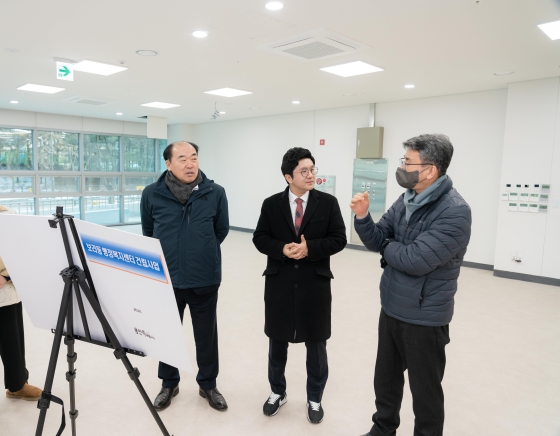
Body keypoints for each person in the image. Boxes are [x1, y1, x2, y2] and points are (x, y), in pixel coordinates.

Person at [350, 134, 472, 436]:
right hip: (392, 307)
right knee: (385, 379)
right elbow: (378, 239)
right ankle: (383, 428)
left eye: (408, 162)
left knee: (425, 391)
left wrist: (388, 247)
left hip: (424, 317)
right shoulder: (406, 199)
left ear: (430, 170)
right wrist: (363, 217)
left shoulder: (455, 211)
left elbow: (415, 260)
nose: (402, 167)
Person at [253, 147, 346, 424]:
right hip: (279, 282)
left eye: (312, 169)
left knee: (316, 344)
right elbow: (260, 238)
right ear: (288, 177)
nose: (310, 175)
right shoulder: (271, 204)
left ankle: (315, 397)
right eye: (303, 171)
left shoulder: (328, 203)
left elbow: (339, 239)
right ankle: (277, 392)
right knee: (277, 342)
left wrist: (310, 248)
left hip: (314, 284)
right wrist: (282, 249)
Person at [140, 141, 229, 411]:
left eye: (194, 158)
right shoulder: (152, 194)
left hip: (204, 277)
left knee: (206, 335)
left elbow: (221, 230)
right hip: (167, 278)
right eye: (182, 159)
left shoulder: (215, 192)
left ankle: (208, 384)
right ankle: (169, 383)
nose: (190, 164)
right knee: (168, 334)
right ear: (168, 164)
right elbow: (148, 232)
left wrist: (201, 251)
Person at [0, 204, 42, 401]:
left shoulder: (8, 215)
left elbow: (19, 249)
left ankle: (17, 385)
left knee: (12, 340)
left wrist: (6, 276)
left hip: (4, 291)